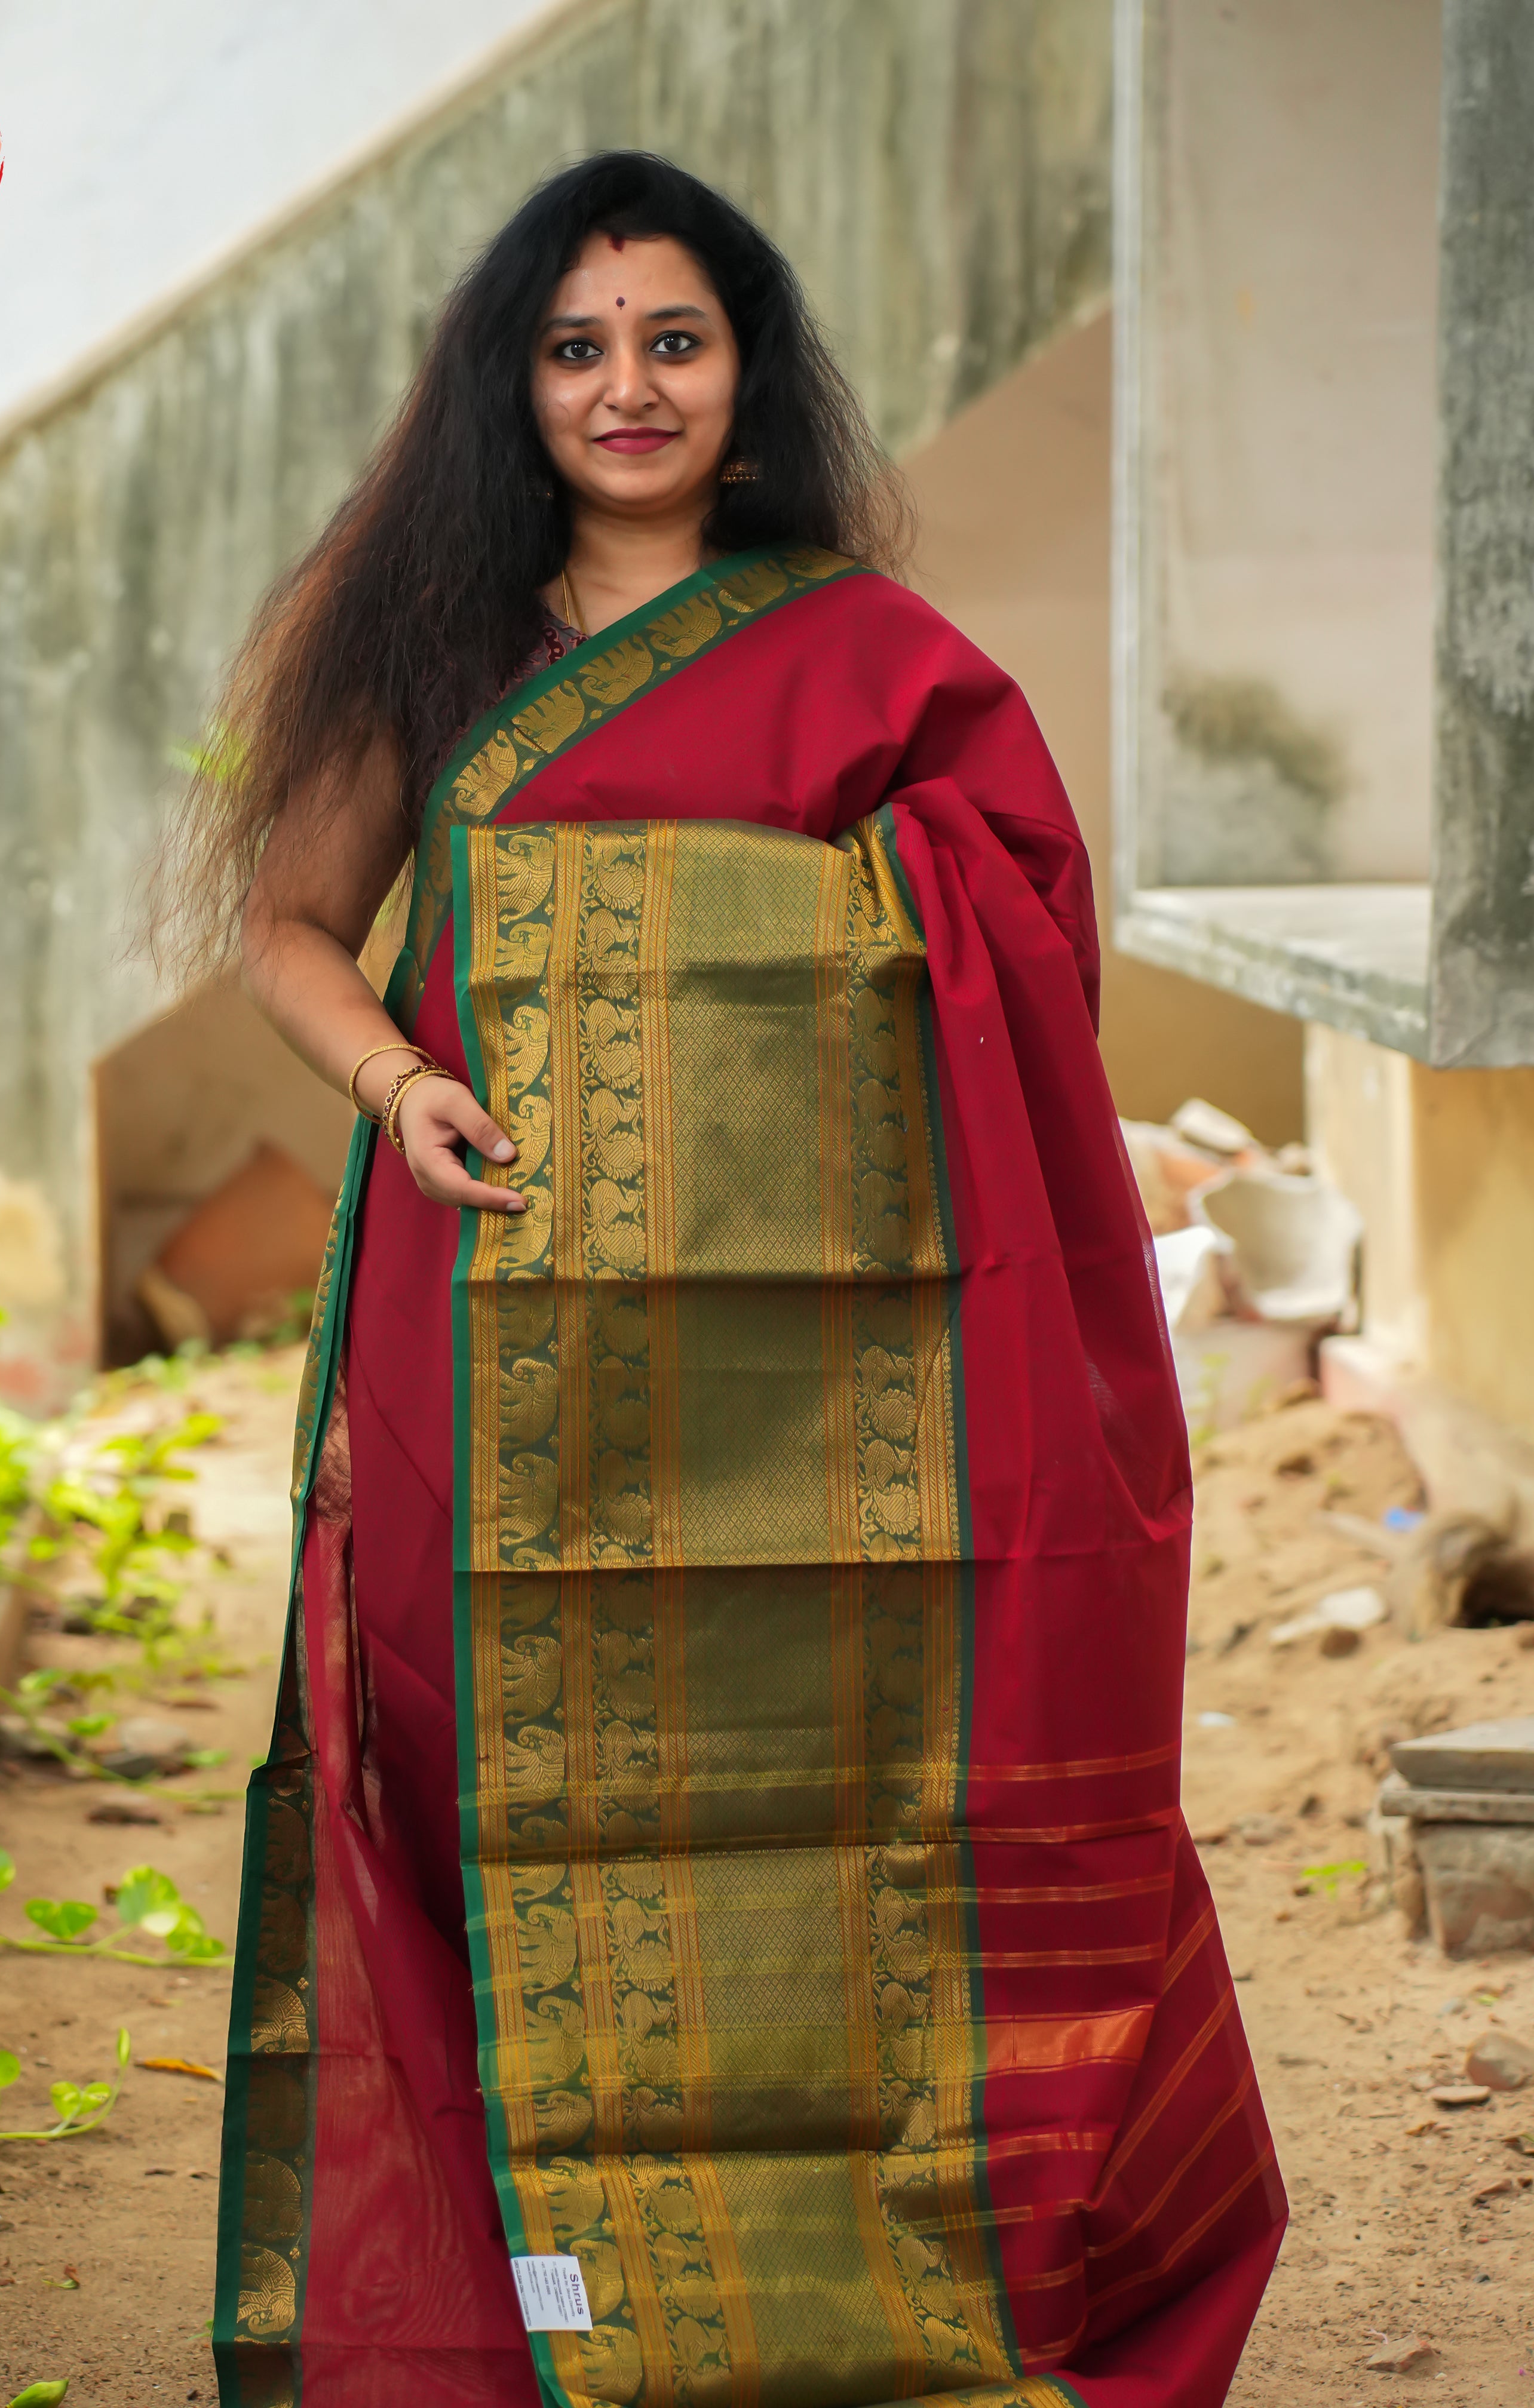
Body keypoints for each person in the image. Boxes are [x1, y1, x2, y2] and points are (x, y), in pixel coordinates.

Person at [182, 150, 1285, 2408]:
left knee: (841, 1780)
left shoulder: (869, 653)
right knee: (485, 1772)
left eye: (672, 340)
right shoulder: (442, 643)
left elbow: (1021, 951)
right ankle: (545, 2312)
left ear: (746, 373)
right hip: (480, 1332)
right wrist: (401, 1084)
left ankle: (820, 2300)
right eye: (576, 347)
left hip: (821, 1367)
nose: (627, 386)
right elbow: (290, 930)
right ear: (514, 383)